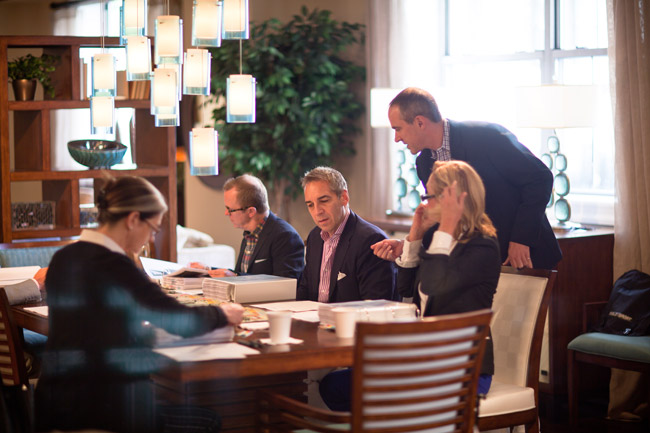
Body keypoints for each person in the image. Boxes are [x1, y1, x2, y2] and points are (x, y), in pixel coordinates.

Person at [35, 176, 244, 433]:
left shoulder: (62, 258)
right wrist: (223, 313)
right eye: (153, 229)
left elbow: (93, 326)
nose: (152, 239)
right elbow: (178, 320)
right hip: (101, 411)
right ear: (133, 219)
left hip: (54, 407)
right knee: (209, 421)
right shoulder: (115, 265)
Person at [321, 161, 500, 411]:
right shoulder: (439, 240)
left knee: (376, 395)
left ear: (455, 200)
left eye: (430, 197)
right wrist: (415, 235)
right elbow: (407, 289)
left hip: (463, 366)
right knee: (332, 386)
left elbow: (434, 285)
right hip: (426, 358)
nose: (424, 204)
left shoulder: (482, 246)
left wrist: (446, 226)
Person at [383, 87, 561, 270]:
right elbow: (443, 216)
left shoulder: (487, 136)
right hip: (476, 264)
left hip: (525, 258)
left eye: (398, 129)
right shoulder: (423, 163)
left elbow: (540, 178)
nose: (396, 138)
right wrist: (409, 245)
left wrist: (521, 239)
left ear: (420, 122)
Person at [297, 166, 395, 303]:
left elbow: (374, 305)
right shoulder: (314, 237)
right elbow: (304, 292)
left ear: (344, 197)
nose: (317, 211)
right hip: (314, 316)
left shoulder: (371, 240)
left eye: (324, 201)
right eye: (310, 205)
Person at [192, 174, 304, 279]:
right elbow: (243, 274)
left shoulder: (285, 236)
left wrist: (236, 277)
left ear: (251, 212)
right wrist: (208, 270)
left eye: (230, 209)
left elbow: (286, 284)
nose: (226, 213)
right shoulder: (249, 234)